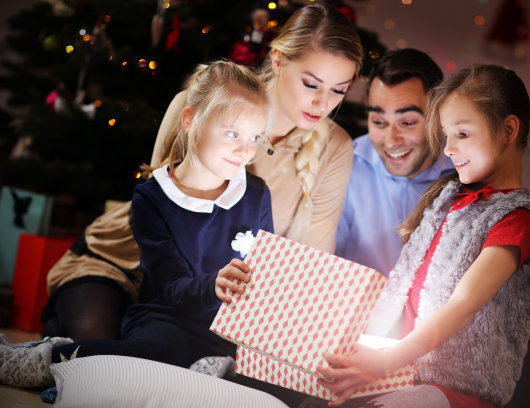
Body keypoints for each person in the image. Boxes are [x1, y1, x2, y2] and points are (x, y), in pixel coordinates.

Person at [40, 2, 363, 342]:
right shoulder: (197, 103)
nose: (323, 104)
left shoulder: (335, 148)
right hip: (132, 263)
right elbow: (161, 208)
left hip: (212, 296)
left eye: (339, 90)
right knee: (97, 352)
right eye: (312, 84)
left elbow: (310, 259)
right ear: (280, 59)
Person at [1, 59, 274, 388]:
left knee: (272, 375)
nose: (246, 149)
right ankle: (39, 360)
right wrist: (212, 285)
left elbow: (264, 277)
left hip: (224, 328)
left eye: (255, 137)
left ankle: (205, 372)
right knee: (154, 350)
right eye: (232, 133)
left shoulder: (256, 194)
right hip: (166, 316)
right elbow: (168, 285)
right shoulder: (152, 197)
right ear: (190, 120)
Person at [316, 64, 530, 408]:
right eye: (446, 134)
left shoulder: (516, 217)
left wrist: (385, 361)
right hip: (403, 366)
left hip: (453, 384)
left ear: (508, 129)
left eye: (463, 134)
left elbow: (463, 304)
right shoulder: (447, 200)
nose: (449, 148)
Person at [334, 48, 454, 276]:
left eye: (407, 122)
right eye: (379, 122)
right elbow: (324, 258)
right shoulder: (344, 163)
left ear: (438, 117)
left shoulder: (466, 174)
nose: (390, 141)